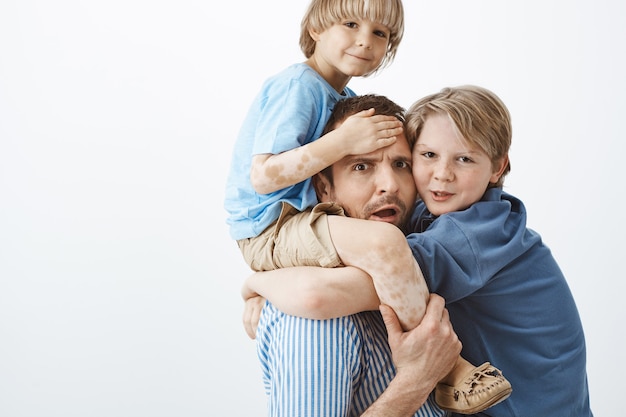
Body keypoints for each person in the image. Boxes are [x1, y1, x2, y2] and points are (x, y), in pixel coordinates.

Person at [225, 0, 509, 412]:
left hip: (293, 228)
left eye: (381, 33)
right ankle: (443, 358)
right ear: (316, 28)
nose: (365, 40)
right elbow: (263, 176)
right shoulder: (299, 86)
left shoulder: (343, 97)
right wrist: (342, 143)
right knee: (382, 245)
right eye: (351, 23)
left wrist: (259, 289)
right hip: (270, 224)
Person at [246, 86, 594, 416]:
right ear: (324, 187)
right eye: (427, 156)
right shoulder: (427, 212)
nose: (442, 175)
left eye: (464, 159)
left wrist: (257, 283)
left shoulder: (470, 234)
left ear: (498, 167)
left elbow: (320, 293)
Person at [242, 93, 460, 417]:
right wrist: (416, 381)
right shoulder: (315, 322)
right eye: (361, 166)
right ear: (324, 188)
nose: (390, 185)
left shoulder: (432, 248)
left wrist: (256, 284)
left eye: (401, 165)